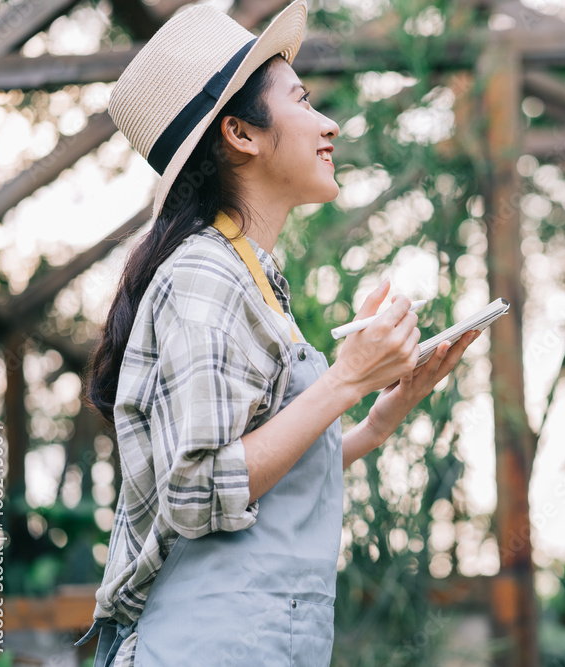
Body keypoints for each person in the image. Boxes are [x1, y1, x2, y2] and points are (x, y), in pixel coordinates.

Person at [74, 1, 480, 665]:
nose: (330, 124)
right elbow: (199, 488)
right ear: (241, 133)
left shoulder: (250, 275)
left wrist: (380, 414)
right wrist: (346, 377)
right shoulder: (205, 273)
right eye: (303, 101)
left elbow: (260, 475)